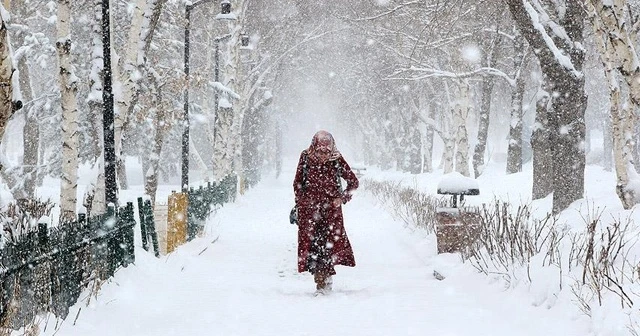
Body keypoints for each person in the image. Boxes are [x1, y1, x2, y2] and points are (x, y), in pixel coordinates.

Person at [293, 130, 359, 295]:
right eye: (321, 150)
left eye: (327, 150)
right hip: (310, 213)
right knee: (313, 247)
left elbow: (353, 182)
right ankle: (320, 280)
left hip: (331, 214)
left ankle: (324, 282)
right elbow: (297, 183)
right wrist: (302, 202)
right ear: (315, 146)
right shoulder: (306, 157)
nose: (324, 154)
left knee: (327, 247)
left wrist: (342, 199)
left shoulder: (336, 159)